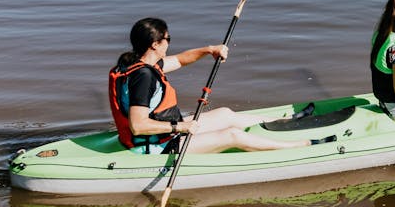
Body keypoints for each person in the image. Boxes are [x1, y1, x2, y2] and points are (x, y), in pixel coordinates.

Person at [110, 17, 321, 153]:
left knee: (225, 114)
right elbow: (138, 126)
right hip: (158, 146)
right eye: (167, 38)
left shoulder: (138, 64)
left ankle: (283, 121)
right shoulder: (143, 77)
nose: (169, 42)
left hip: (165, 134)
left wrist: (210, 50)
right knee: (232, 134)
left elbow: (182, 59)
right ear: (155, 44)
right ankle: (296, 148)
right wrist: (180, 126)